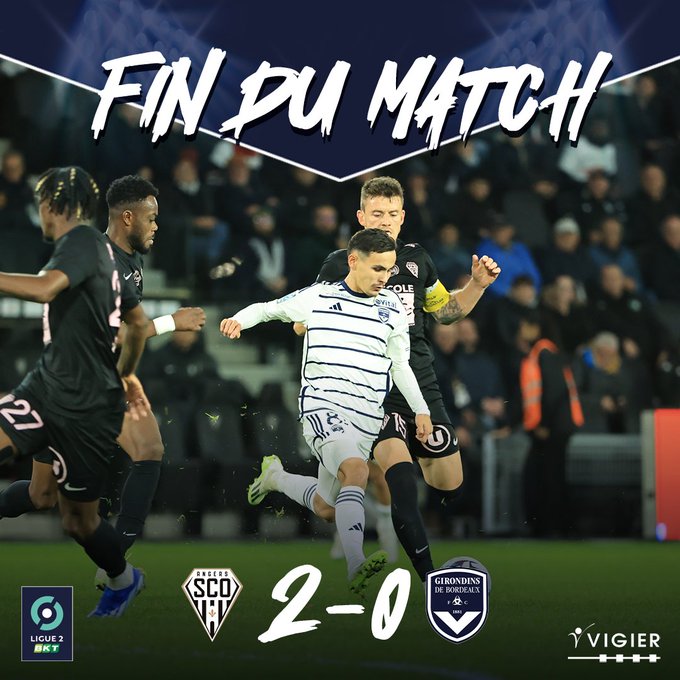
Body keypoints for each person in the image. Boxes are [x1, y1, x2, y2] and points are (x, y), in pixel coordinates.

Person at [0, 175, 206, 586]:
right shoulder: (97, 254)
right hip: (72, 388)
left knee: (47, 495)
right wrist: (171, 322)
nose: (156, 225)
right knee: (141, 453)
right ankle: (117, 567)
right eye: (150, 217)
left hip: (93, 383)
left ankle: (116, 566)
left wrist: (126, 373)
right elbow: (111, 331)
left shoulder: (130, 262)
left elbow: (124, 331)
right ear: (127, 217)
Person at [220, 228, 434, 594]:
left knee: (327, 507)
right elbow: (268, 309)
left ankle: (276, 478)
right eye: (377, 268)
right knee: (357, 471)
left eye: (389, 269)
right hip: (323, 405)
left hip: (366, 416)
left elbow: (400, 366)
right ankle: (356, 564)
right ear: (353, 261)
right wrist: (238, 319)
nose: (384, 277)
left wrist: (422, 410)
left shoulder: (393, 309)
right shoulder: (318, 297)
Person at [309, 177, 500, 584]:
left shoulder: (417, 260)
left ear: (402, 218)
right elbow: (306, 317)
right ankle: (431, 579)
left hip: (421, 384)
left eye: (392, 214)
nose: (385, 221)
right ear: (361, 217)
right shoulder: (340, 263)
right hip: (372, 390)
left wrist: (477, 285)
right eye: (377, 213)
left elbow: (445, 312)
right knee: (400, 482)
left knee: (450, 484)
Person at [0, 166, 148, 617]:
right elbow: (137, 323)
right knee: (41, 494)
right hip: (48, 387)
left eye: (40, 204)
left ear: (51, 204)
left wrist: (118, 378)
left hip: (85, 409)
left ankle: (123, 578)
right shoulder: (101, 254)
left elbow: (47, 289)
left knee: (78, 521)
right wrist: (125, 373)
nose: (39, 214)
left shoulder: (82, 241)